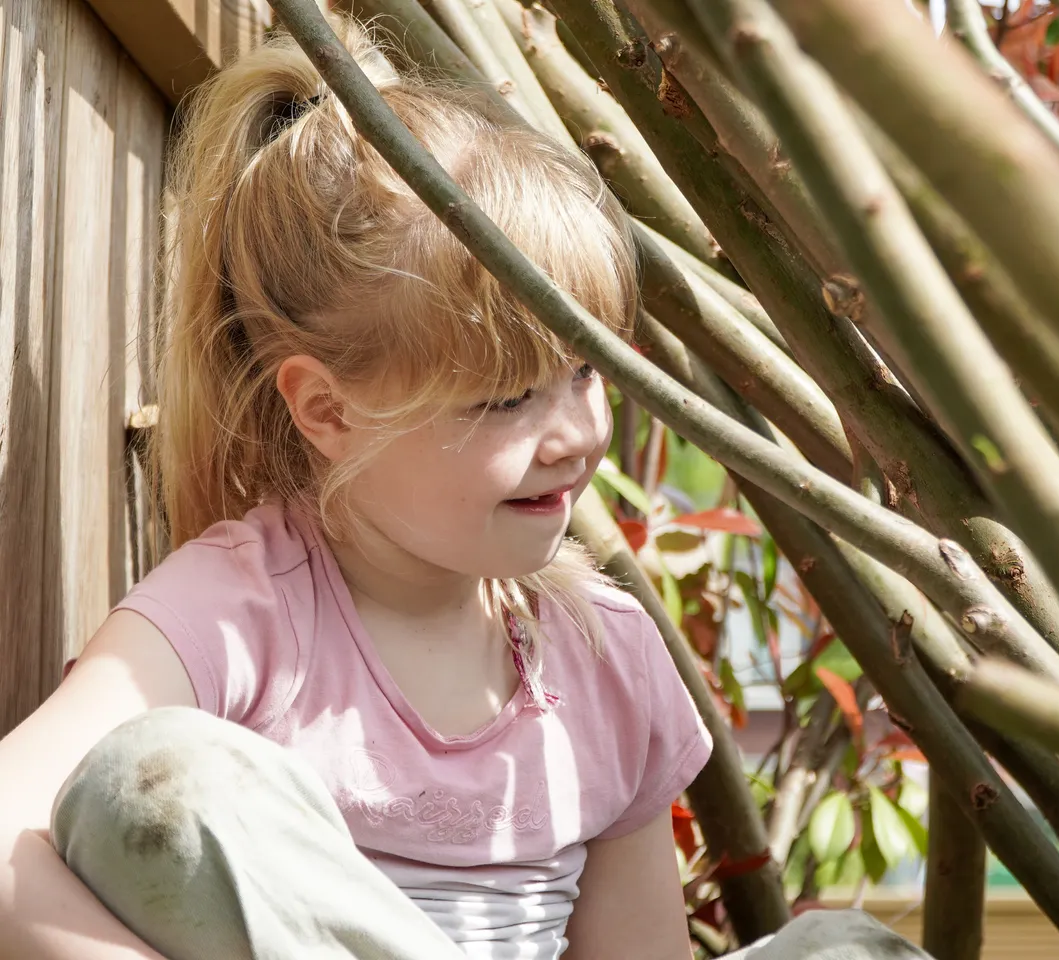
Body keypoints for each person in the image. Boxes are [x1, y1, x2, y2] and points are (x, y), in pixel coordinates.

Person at [0, 16, 935, 960]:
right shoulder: (243, 616)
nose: (574, 434)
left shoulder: (603, 654)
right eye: (506, 400)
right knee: (156, 777)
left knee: (846, 950)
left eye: (586, 371)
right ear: (328, 411)